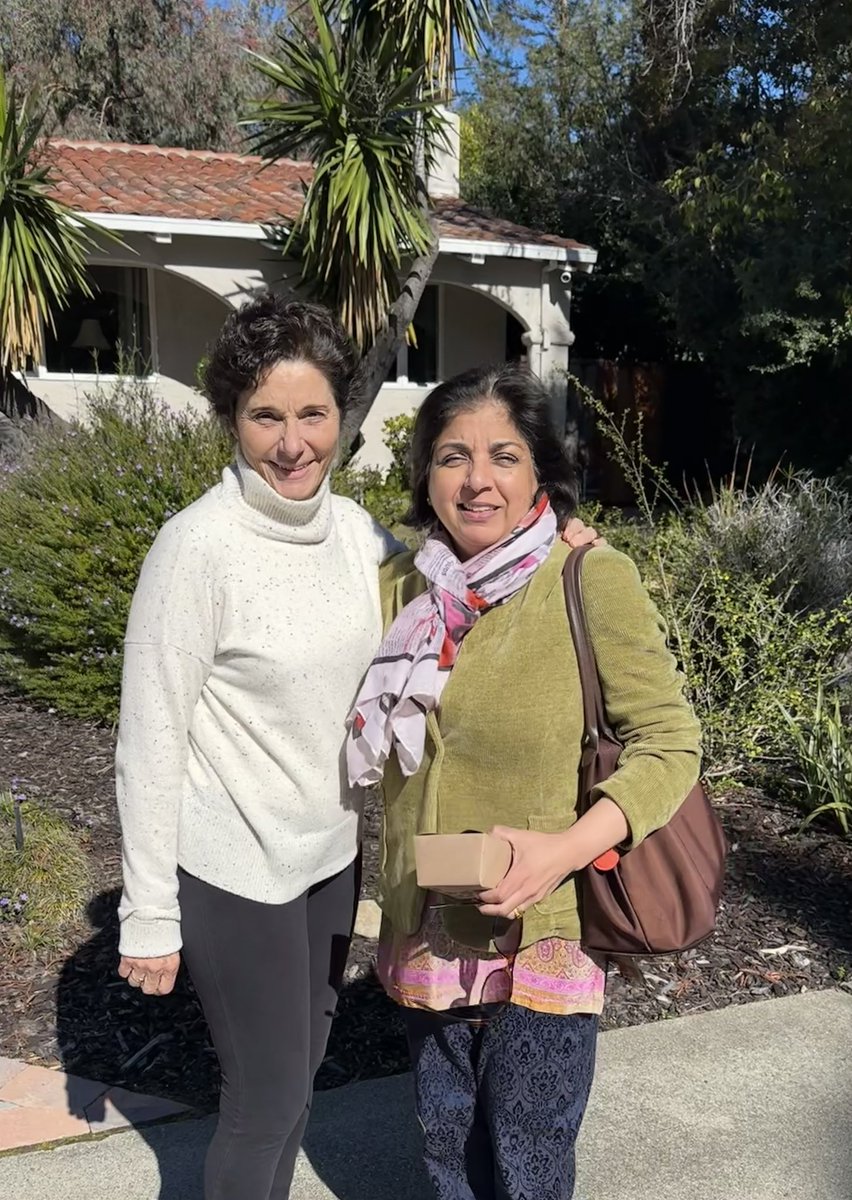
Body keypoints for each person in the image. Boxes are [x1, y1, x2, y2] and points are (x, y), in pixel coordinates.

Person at [115, 294, 600, 1200]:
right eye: (266, 416)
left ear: (345, 414)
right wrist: (148, 911)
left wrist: (560, 535)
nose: (292, 442)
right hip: (234, 868)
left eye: (312, 413)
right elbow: (148, 738)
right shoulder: (196, 550)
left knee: (298, 1093)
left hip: (330, 862)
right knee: (262, 1103)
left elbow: (463, 581)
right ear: (231, 419)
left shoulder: (361, 545)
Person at [347, 363, 702, 1200]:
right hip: (427, 918)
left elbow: (670, 743)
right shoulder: (399, 588)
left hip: (543, 923)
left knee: (529, 1154)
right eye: (451, 456)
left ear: (540, 471)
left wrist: (565, 850)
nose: (477, 480)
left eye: (504, 456)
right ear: (424, 476)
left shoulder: (585, 578)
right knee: (444, 1147)